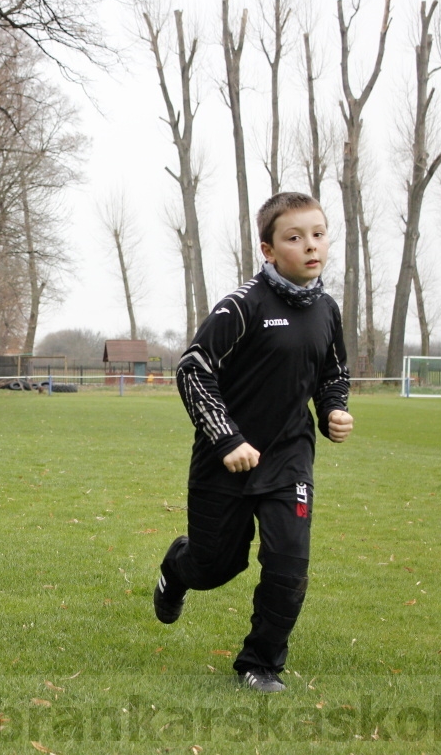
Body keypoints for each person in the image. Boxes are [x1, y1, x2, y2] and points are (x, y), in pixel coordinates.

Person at [153, 191, 354, 693]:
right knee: (213, 566)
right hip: (225, 462)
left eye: (318, 234)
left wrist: (334, 408)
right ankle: (177, 569)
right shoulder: (242, 305)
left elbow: (333, 372)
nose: (311, 246)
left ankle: (260, 664)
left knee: (289, 564)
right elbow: (193, 370)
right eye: (294, 237)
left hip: (289, 461)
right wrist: (227, 439)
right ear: (268, 250)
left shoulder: (327, 310)